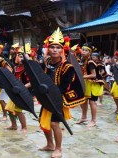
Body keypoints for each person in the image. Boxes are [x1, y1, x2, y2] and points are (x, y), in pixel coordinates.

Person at [40, 28, 85, 158]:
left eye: (58, 48)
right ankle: (49, 144)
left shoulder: (68, 67)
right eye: (52, 47)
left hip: (59, 98)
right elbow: (40, 78)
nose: (55, 50)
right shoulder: (46, 63)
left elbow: (65, 86)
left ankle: (58, 148)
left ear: (62, 50)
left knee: (54, 123)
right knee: (44, 122)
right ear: (48, 48)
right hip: (46, 97)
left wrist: (53, 94)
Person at [76, 43, 103, 127]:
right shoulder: (82, 60)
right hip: (86, 83)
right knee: (83, 101)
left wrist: (82, 76)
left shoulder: (90, 62)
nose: (83, 51)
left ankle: (93, 120)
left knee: (92, 102)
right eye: (83, 49)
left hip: (93, 83)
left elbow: (93, 75)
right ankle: (84, 117)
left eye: (86, 50)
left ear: (90, 52)